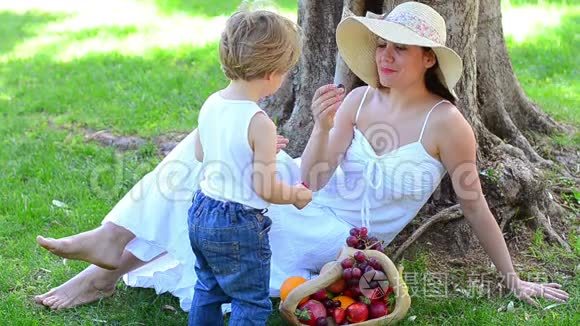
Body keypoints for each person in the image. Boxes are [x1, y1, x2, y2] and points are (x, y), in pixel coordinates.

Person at [35, 1, 568, 313]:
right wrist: (321, 125)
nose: (383, 57)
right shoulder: (358, 100)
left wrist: (513, 278)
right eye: (380, 45)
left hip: (336, 236)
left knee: (233, 205)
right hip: (304, 194)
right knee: (205, 159)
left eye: (398, 49)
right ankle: (112, 245)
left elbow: (474, 205)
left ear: (427, 59)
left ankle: (112, 264)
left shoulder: (447, 124)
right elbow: (315, 174)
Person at [186, 9, 312, 325]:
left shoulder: (212, 102)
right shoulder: (259, 123)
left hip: (202, 211)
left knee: (208, 288)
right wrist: (296, 194)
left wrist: (260, 149)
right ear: (272, 74)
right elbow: (266, 189)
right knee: (250, 302)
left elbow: (202, 153)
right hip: (238, 224)